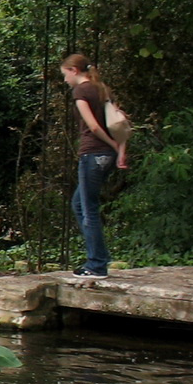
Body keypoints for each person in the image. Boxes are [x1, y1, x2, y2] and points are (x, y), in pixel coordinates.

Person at [60, 54, 128, 278]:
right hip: (106, 156)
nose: (65, 80)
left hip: (93, 154)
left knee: (87, 208)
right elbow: (121, 123)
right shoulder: (101, 89)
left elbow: (94, 126)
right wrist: (119, 150)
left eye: (65, 75)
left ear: (74, 70)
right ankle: (98, 256)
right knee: (79, 204)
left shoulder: (80, 91)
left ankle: (96, 264)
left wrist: (113, 146)